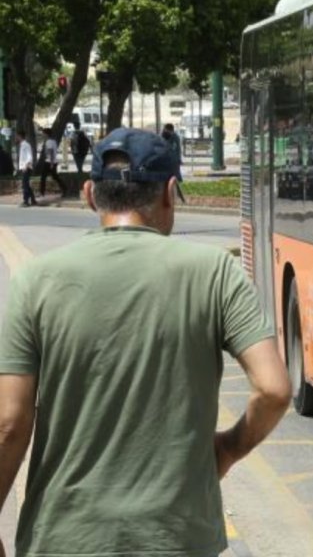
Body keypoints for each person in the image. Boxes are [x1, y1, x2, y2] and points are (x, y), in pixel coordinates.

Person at [0, 127, 292, 556]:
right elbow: (274, 389)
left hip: (64, 538)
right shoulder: (215, 272)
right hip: (177, 538)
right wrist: (228, 449)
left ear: (88, 195)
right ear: (170, 192)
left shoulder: (34, 281)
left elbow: (10, 424)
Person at [37, 128, 62, 197]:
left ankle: (41, 192)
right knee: (55, 176)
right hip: (53, 161)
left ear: (46, 134)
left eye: (43, 134)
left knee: (43, 177)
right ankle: (64, 188)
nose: (42, 135)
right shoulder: (53, 141)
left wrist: (51, 163)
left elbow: (51, 152)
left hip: (49, 162)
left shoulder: (49, 142)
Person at [15, 130, 35, 207]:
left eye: (17, 136)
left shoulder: (26, 145)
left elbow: (29, 156)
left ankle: (26, 201)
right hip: (24, 167)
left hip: (26, 167)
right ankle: (33, 199)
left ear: (20, 136)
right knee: (26, 184)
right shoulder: (22, 145)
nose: (16, 138)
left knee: (24, 185)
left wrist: (26, 166)